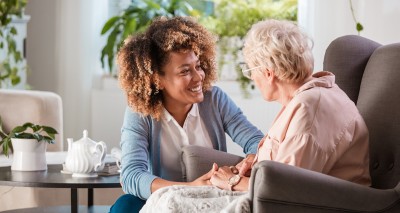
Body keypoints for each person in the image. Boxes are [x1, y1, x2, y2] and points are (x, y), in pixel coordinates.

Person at [139, 19, 370, 212]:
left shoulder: (309, 110)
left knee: (170, 204)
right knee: (165, 197)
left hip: (317, 205)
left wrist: (232, 181)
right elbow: (287, 168)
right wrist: (255, 162)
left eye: (251, 71)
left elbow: (287, 190)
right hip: (278, 196)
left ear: (268, 73)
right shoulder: (306, 98)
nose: (252, 78)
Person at [109, 16, 264, 213]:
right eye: (185, 71)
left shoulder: (215, 100)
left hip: (210, 199)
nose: (199, 76)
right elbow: (132, 176)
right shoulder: (140, 112)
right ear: (157, 79)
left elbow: (256, 142)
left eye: (198, 66)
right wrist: (189, 188)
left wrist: (243, 167)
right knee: (125, 206)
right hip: (163, 201)